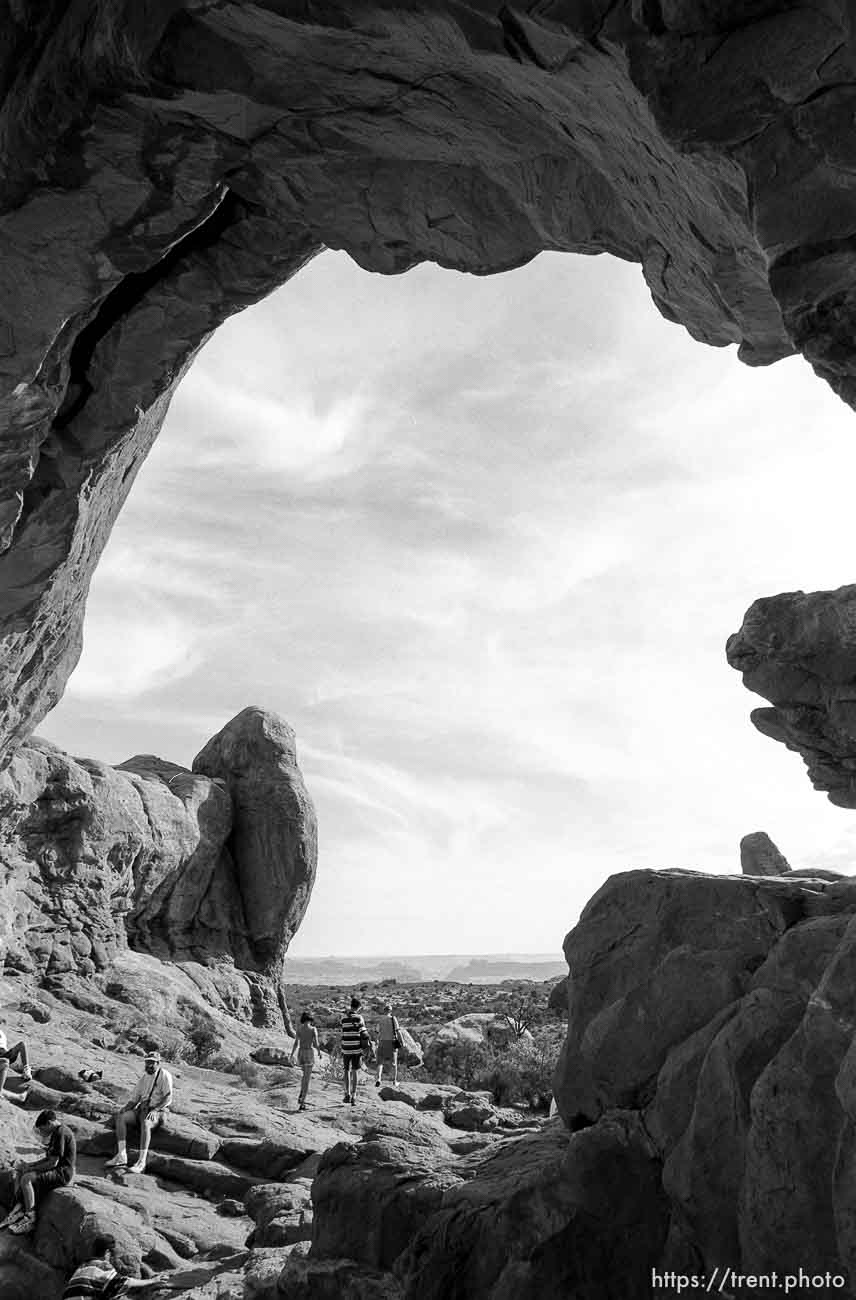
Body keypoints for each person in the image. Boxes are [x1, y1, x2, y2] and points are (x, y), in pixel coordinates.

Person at [0, 1108, 76, 1235]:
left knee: (26, 1179)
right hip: (56, 1169)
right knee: (20, 1171)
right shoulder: (56, 1132)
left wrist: (31, 1169)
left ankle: (30, 1217)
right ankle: (17, 1209)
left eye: (41, 1129)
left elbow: (53, 1163)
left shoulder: (61, 1133)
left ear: (49, 1123)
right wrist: (29, 1165)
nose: (41, 1133)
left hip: (63, 1173)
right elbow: (48, 1158)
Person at [105, 1049, 173, 1174]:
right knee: (121, 1117)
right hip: (143, 1108)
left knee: (146, 1123)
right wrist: (125, 1109)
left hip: (158, 1110)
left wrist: (156, 1109)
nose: (149, 1065)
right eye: (147, 1062)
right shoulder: (144, 1078)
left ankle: (141, 1162)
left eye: (152, 1063)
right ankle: (121, 1155)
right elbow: (135, 1099)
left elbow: (168, 1097)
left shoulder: (164, 1075)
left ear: (158, 1063)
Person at [62, 1233, 124, 1298]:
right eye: (113, 1255)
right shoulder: (102, 1267)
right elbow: (123, 1284)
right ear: (107, 1252)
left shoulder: (81, 1268)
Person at [289, 1011, 320, 1111]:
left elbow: (296, 1043)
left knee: (304, 1076)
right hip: (309, 1053)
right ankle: (302, 1102)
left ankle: (302, 1093)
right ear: (311, 1020)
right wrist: (319, 1052)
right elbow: (316, 1043)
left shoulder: (299, 1029)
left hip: (301, 1053)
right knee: (307, 1078)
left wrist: (292, 1054)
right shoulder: (313, 1029)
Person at [340, 996, 368, 1105]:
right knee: (355, 1071)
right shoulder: (359, 1018)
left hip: (346, 1047)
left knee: (346, 1070)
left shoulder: (343, 1018)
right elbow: (364, 1033)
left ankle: (347, 1094)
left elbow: (343, 1032)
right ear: (359, 1007)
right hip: (356, 1048)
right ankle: (354, 1095)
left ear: (351, 1006)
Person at [375, 1002, 404, 1087]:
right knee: (394, 1063)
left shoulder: (380, 1019)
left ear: (384, 1011)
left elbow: (377, 1032)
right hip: (391, 1042)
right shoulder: (393, 1019)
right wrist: (402, 1042)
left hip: (382, 1042)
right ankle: (394, 1081)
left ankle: (378, 1079)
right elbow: (398, 1031)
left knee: (380, 1062)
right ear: (390, 1011)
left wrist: (377, 1041)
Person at [0, 1025, 32, 1094]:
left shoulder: (2, 1033)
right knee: (5, 1061)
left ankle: (26, 1071)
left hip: (5, 1054)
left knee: (22, 1044)